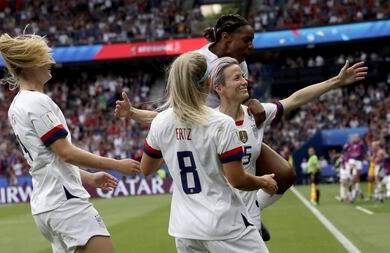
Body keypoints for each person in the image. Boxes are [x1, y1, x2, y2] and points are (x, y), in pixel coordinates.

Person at [115, 14, 296, 240]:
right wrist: (133, 113)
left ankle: (252, 211)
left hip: (223, 132)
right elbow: (175, 116)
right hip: (207, 134)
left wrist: (251, 102)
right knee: (230, 183)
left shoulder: (240, 64)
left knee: (285, 174)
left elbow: (158, 140)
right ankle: (244, 217)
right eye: (247, 40)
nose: (251, 46)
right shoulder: (196, 63)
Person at [0, 32, 141, 253]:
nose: (51, 62)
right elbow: (65, 153)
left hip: (46, 205)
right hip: (64, 203)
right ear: (29, 65)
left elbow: (50, 159)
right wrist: (116, 164)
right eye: (44, 58)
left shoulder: (17, 105)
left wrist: (90, 177)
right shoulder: (37, 102)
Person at [209, 56, 367, 233]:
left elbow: (295, 99)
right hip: (218, 216)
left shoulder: (255, 115)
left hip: (248, 218)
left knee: (286, 174)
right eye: (237, 78)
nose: (245, 81)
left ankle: (256, 211)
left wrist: (336, 81)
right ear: (219, 88)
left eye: (244, 76)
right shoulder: (207, 122)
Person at [141, 52, 277, 253]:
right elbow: (237, 180)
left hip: (185, 229)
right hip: (224, 224)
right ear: (208, 83)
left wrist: (176, 144)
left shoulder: (161, 121)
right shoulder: (221, 123)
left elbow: (147, 168)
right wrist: (263, 182)